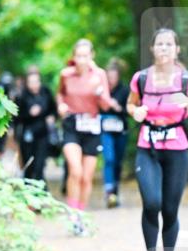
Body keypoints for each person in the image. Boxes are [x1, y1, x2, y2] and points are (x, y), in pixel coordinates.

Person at [127, 29, 188, 251]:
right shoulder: (141, 79)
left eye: (168, 44)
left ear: (176, 49)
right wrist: (136, 111)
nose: (164, 48)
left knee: (170, 209)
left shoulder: (186, 80)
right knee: (152, 203)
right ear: (152, 49)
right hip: (147, 146)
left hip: (177, 149)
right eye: (159, 44)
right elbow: (131, 104)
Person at [57, 39, 119, 234]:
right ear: (73, 57)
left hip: (92, 127)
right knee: (75, 170)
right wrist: (61, 105)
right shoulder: (66, 75)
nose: (81, 60)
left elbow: (106, 104)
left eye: (85, 56)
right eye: (78, 56)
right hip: (71, 125)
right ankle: (72, 213)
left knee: (86, 176)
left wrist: (99, 91)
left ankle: (81, 216)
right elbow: (60, 94)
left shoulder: (99, 74)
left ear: (91, 56)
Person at [14, 65, 57, 184]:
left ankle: (40, 189)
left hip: (43, 133)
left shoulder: (46, 92)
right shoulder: (21, 95)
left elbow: (54, 109)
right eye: (31, 82)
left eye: (36, 82)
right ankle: (28, 189)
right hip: (27, 134)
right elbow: (16, 117)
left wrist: (51, 117)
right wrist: (29, 113)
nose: (34, 85)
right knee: (29, 164)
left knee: (40, 164)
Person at [101, 58, 131, 208]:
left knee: (118, 162)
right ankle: (108, 191)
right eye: (109, 76)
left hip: (121, 130)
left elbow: (131, 110)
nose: (111, 79)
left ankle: (115, 191)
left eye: (114, 76)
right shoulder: (101, 90)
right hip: (105, 129)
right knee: (109, 158)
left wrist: (119, 108)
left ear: (118, 76)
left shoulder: (125, 90)